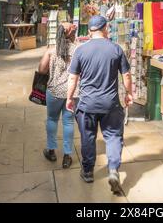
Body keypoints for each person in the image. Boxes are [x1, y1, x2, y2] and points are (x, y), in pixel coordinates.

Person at [66, 15, 133, 194]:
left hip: (87, 104)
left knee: (88, 137)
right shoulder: (116, 49)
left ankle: (87, 171)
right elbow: (126, 76)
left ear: (90, 31)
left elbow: (73, 77)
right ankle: (113, 170)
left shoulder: (80, 50)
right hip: (110, 104)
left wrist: (69, 98)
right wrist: (129, 94)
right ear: (105, 28)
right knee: (113, 136)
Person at [38, 22, 78, 168]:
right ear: (70, 34)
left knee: (52, 119)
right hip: (72, 93)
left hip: (53, 92)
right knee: (68, 122)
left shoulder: (51, 50)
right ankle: (67, 156)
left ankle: (51, 150)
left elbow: (41, 70)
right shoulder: (77, 50)